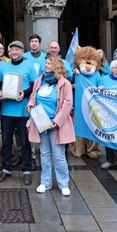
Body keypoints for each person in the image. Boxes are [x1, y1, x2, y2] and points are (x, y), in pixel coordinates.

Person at [26, 54, 75, 196]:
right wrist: (30, 106)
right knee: (44, 154)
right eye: (46, 63)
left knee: (59, 155)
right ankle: (45, 182)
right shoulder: (39, 80)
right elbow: (33, 97)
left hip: (55, 124)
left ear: (56, 65)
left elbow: (67, 103)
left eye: (49, 63)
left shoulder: (64, 83)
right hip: (41, 123)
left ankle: (63, 183)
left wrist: (57, 121)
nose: (46, 65)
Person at [0, 40, 38, 186]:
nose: (14, 52)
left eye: (17, 50)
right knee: (6, 142)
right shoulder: (3, 65)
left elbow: (34, 86)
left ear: (22, 51)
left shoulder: (29, 65)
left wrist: (24, 94)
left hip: (23, 111)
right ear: (9, 51)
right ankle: (6, 169)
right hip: (7, 110)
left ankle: (26, 171)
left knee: (24, 142)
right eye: (12, 50)